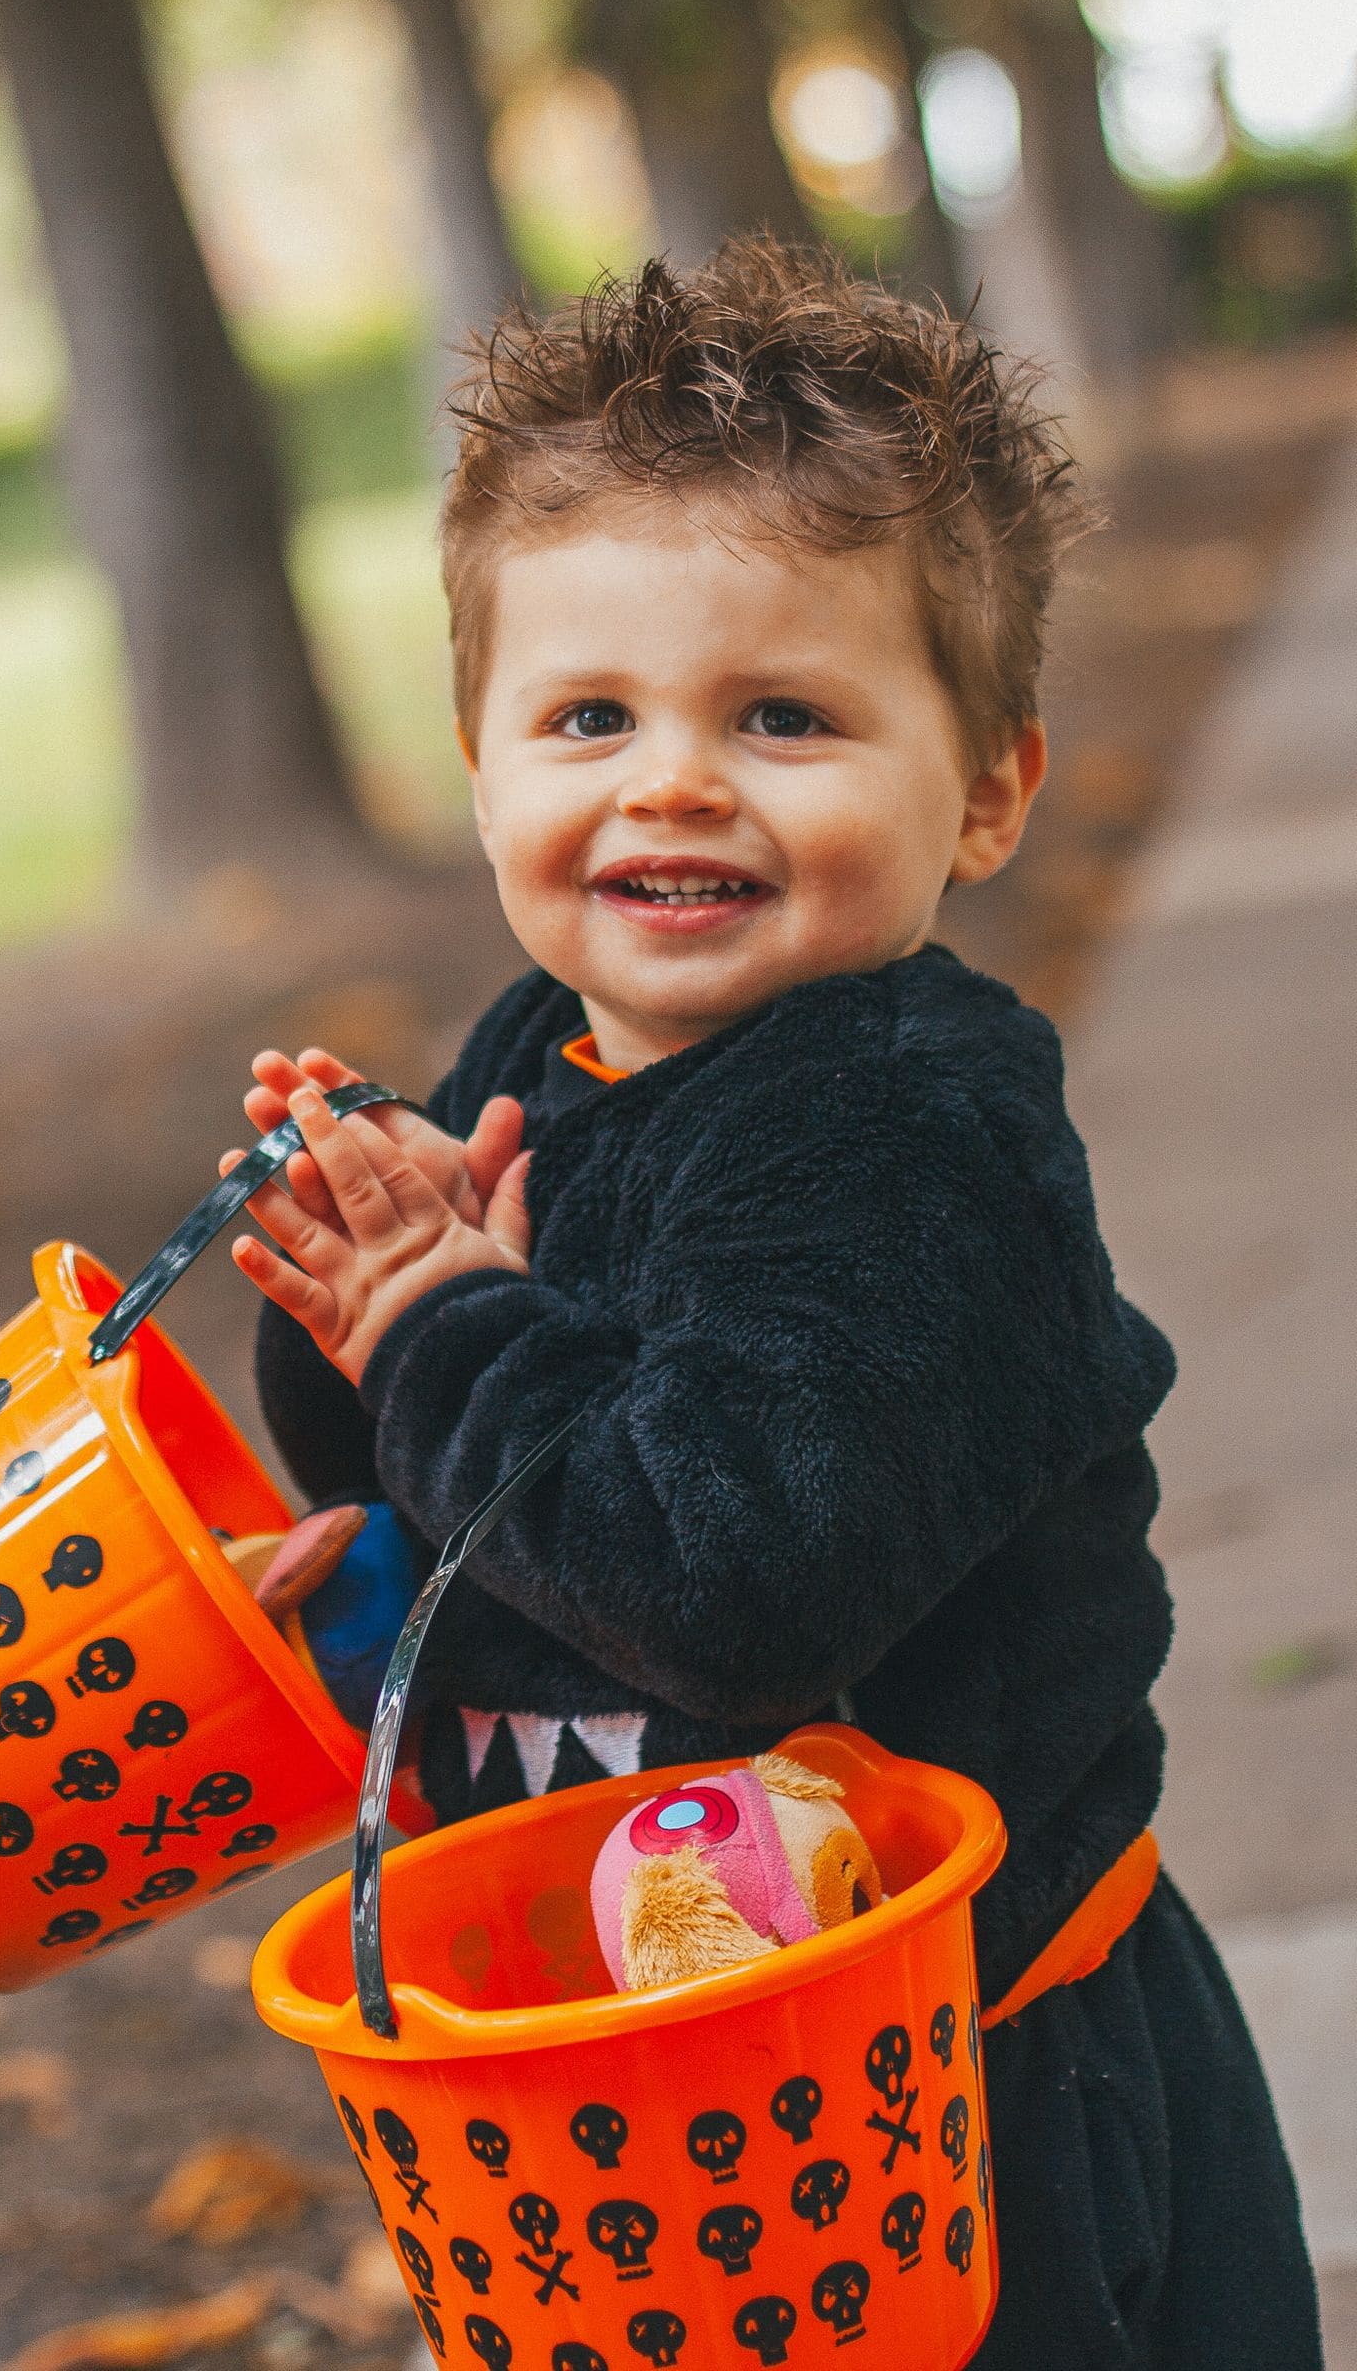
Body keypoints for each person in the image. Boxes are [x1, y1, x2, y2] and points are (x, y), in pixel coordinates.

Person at [229, 243, 1320, 2371]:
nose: (670, 782)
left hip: (966, 2111)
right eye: (587, 718)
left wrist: (443, 1314)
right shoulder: (536, 1050)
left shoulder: (914, 1144)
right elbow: (449, 1465)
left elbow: (726, 1567)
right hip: (644, 2122)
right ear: (480, 765)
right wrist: (355, 1276)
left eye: (783, 717)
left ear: (985, 791)